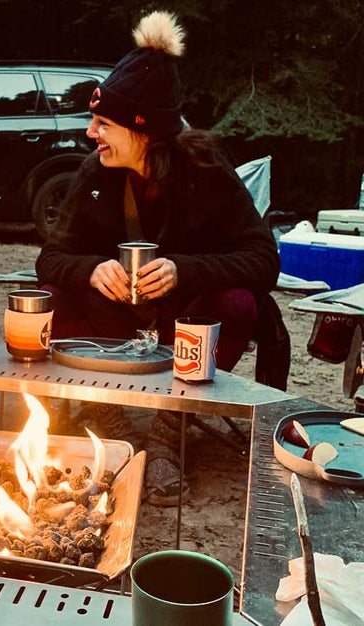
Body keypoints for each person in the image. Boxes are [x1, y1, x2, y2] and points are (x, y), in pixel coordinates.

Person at [35, 11, 280, 505]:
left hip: (184, 320)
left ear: (143, 130)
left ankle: (172, 429)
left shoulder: (206, 171)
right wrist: (89, 269)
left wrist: (184, 270)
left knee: (236, 302)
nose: (90, 133)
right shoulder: (95, 172)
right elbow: (51, 258)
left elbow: (262, 259)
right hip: (113, 319)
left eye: (103, 123)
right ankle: (110, 418)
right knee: (55, 292)